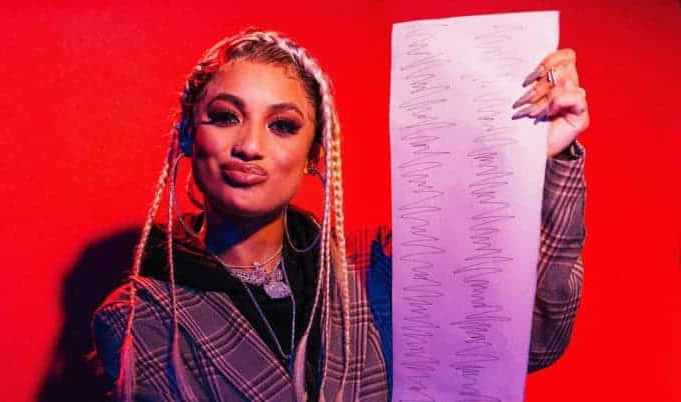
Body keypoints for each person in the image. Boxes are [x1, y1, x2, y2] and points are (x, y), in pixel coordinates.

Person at [90, 28, 588, 402]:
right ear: (186, 135)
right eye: (225, 116)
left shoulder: (377, 269)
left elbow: (532, 339)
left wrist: (542, 156)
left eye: (282, 125)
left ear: (313, 154)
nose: (249, 145)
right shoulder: (138, 321)